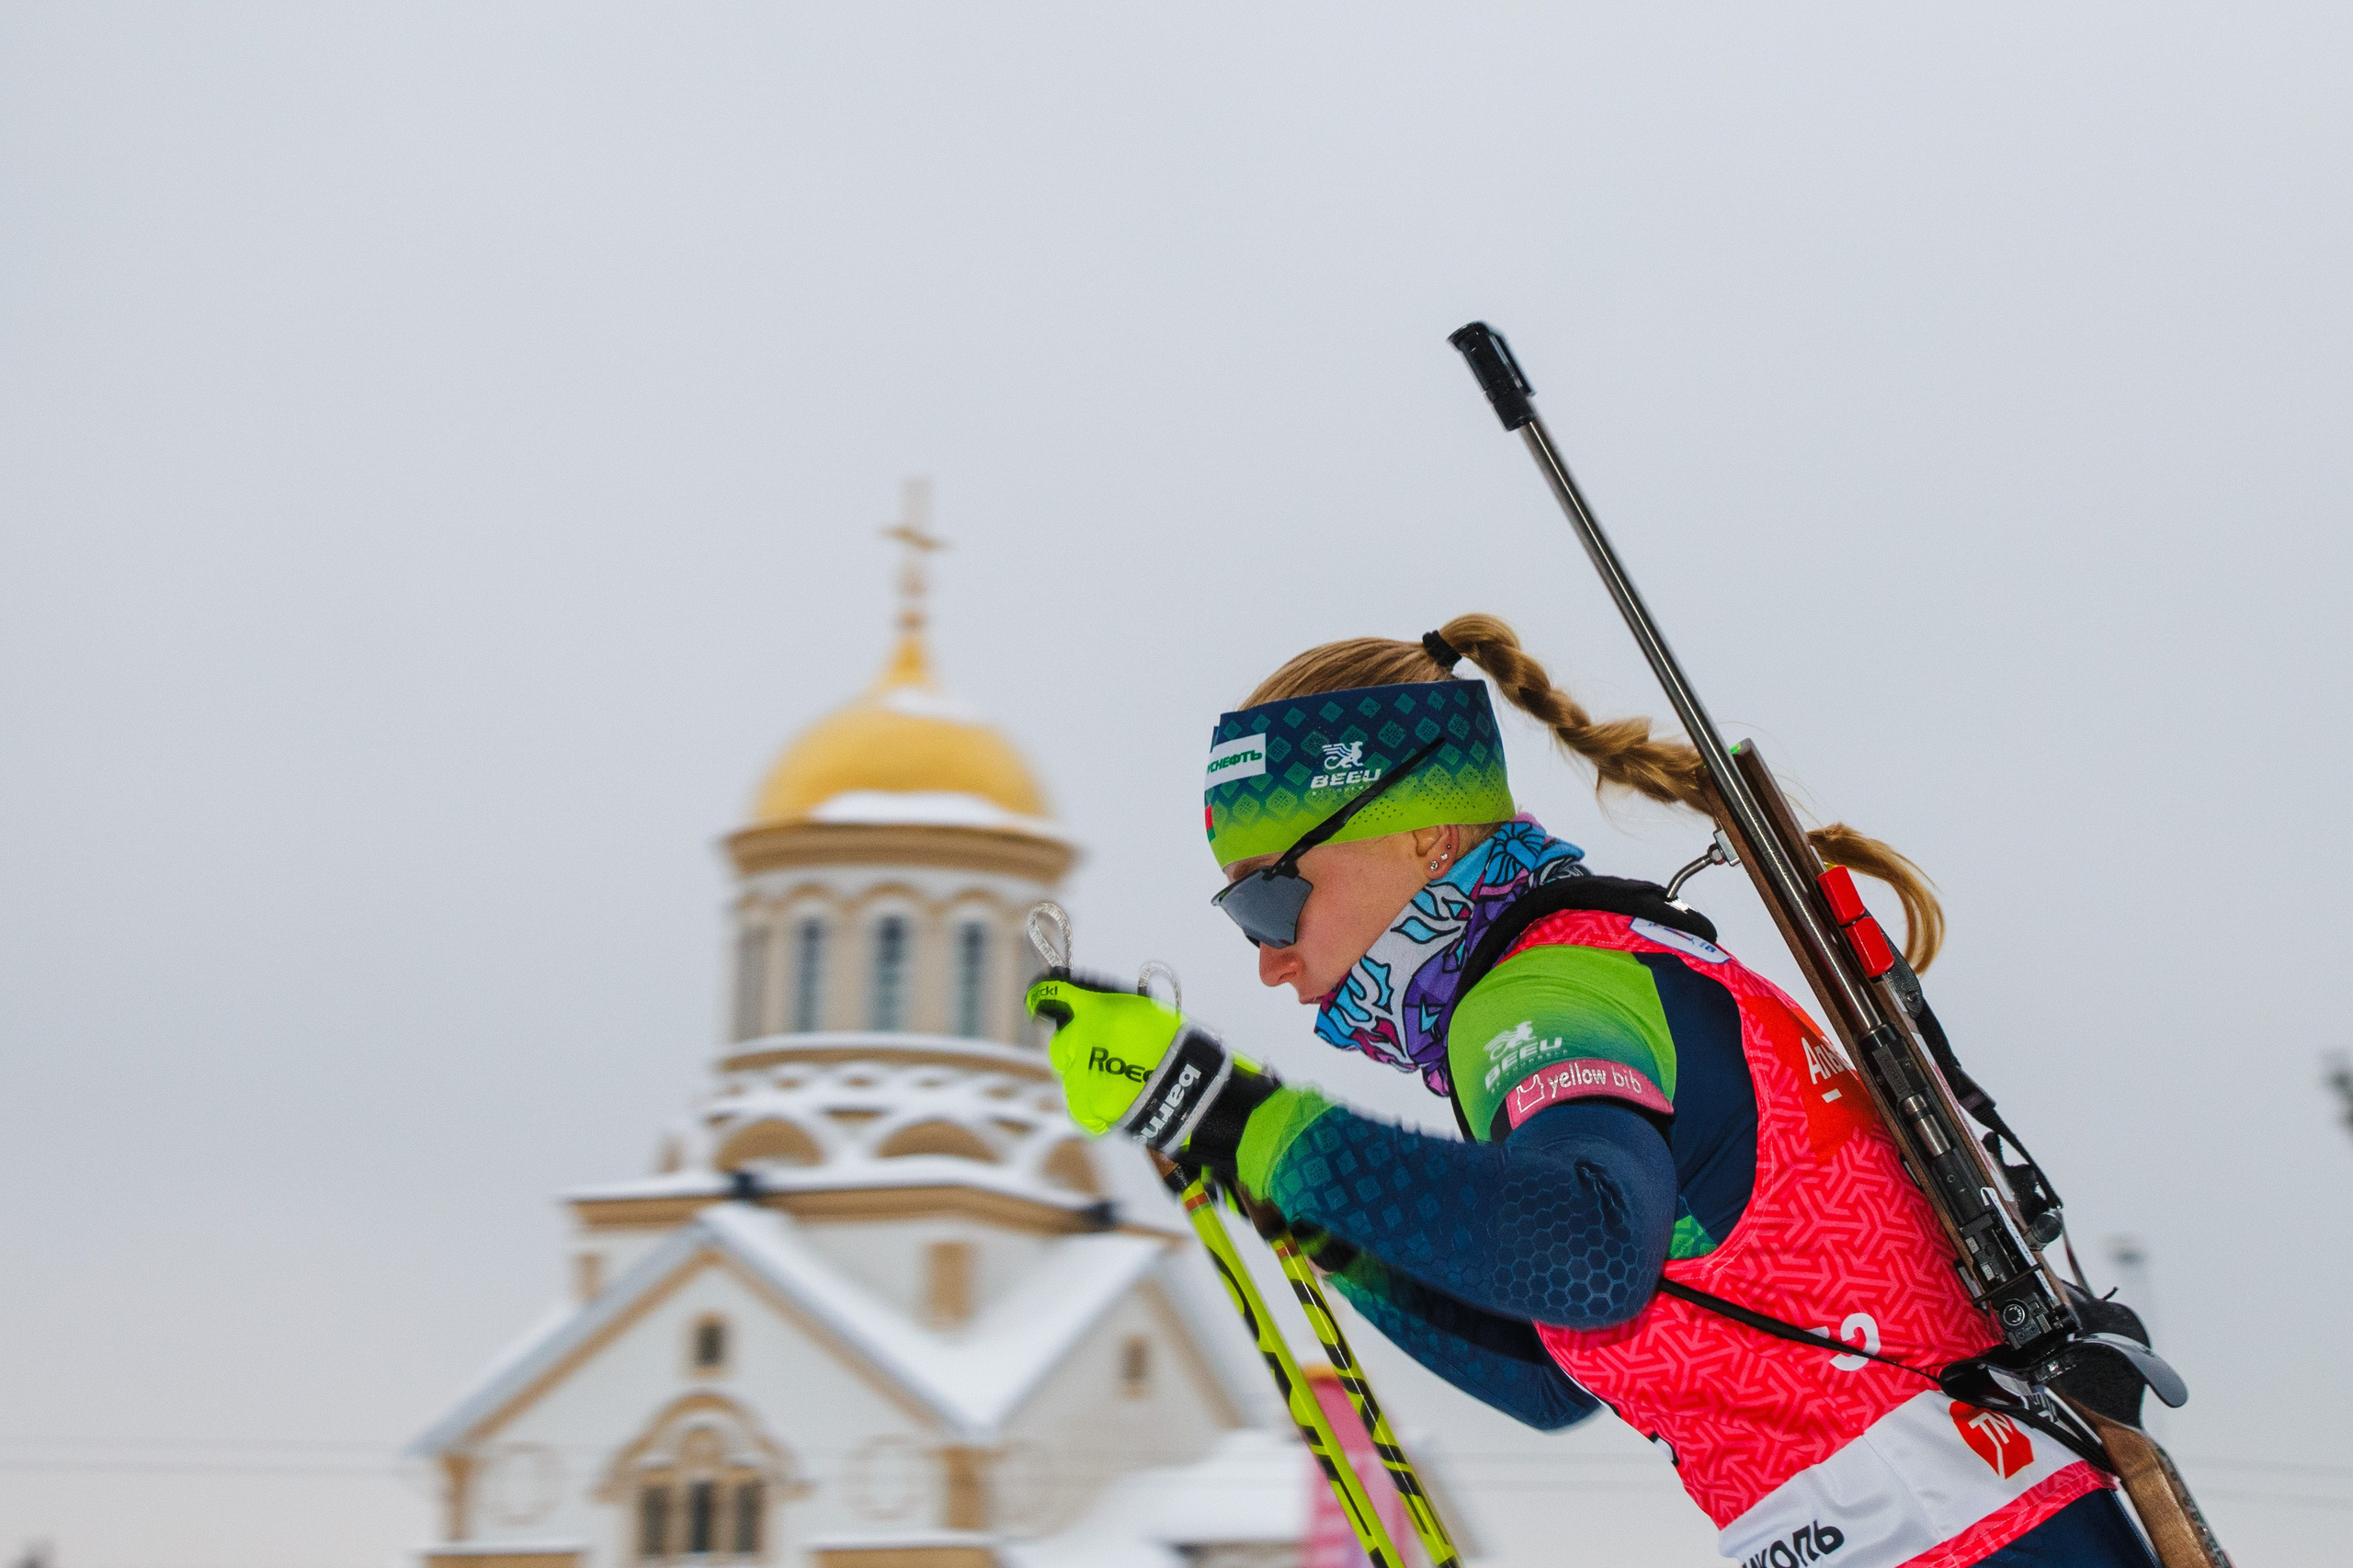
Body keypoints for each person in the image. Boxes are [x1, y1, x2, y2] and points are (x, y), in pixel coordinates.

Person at [1027, 615, 2157, 1568]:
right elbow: (1546, 1369)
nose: (1270, 959)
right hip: (1963, 1515)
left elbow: (1587, 1247)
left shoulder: (1544, 991)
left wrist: (1227, 1112)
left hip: (1945, 1527)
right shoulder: (1597, 956)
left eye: (1271, 900)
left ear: (1424, 836)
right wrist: (1273, 1175)